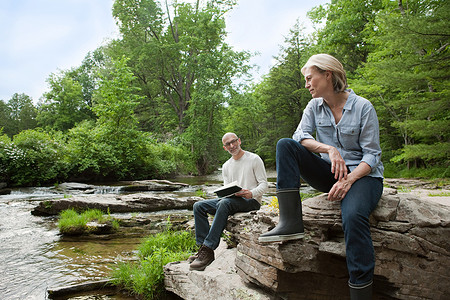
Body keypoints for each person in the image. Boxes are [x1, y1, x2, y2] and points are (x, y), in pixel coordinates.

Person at [258, 54, 384, 300]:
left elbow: (372, 155)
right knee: (285, 145)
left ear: (327, 74)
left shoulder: (363, 107)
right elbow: (299, 136)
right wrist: (329, 149)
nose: (306, 84)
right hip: (329, 172)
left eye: (309, 78)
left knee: (353, 216)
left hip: (363, 177)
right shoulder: (314, 106)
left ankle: (360, 293)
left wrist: (348, 180)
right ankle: (291, 222)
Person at [189, 132, 268, 271]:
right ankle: (201, 248)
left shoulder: (254, 159)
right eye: (228, 144)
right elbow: (228, 189)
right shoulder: (226, 166)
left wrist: (251, 193)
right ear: (224, 147)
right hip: (232, 200)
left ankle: (208, 249)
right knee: (198, 206)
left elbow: (264, 185)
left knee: (224, 203)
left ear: (239, 141)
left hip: (252, 201)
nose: (232, 145)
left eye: (234, 141)